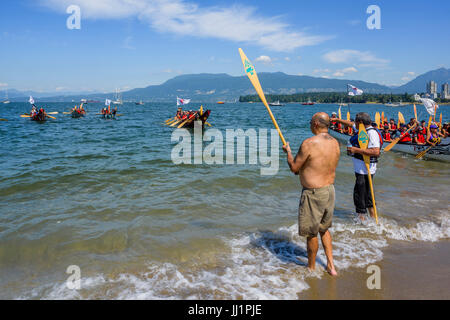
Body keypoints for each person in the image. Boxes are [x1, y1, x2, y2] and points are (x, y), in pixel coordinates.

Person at [282, 112, 340, 276]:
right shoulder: (335, 143)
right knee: (324, 229)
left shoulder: (309, 143)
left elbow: (294, 168)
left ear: (315, 124)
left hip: (314, 194)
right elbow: (318, 164)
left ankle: (311, 268)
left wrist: (288, 152)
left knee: (311, 233)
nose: (309, 124)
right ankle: (331, 266)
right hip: (330, 190)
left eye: (310, 121)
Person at [341, 112, 382, 221]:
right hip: (361, 169)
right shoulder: (361, 130)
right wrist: (336, 120)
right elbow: (350, 124)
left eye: (356, 121)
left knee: (359, 196)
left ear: (360, 122)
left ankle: (362, 222)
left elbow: (376, 151)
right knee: (368, 195)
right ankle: (373, 220)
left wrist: (355, 150)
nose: (354, 123)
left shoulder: (371, 133)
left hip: (365, 170)